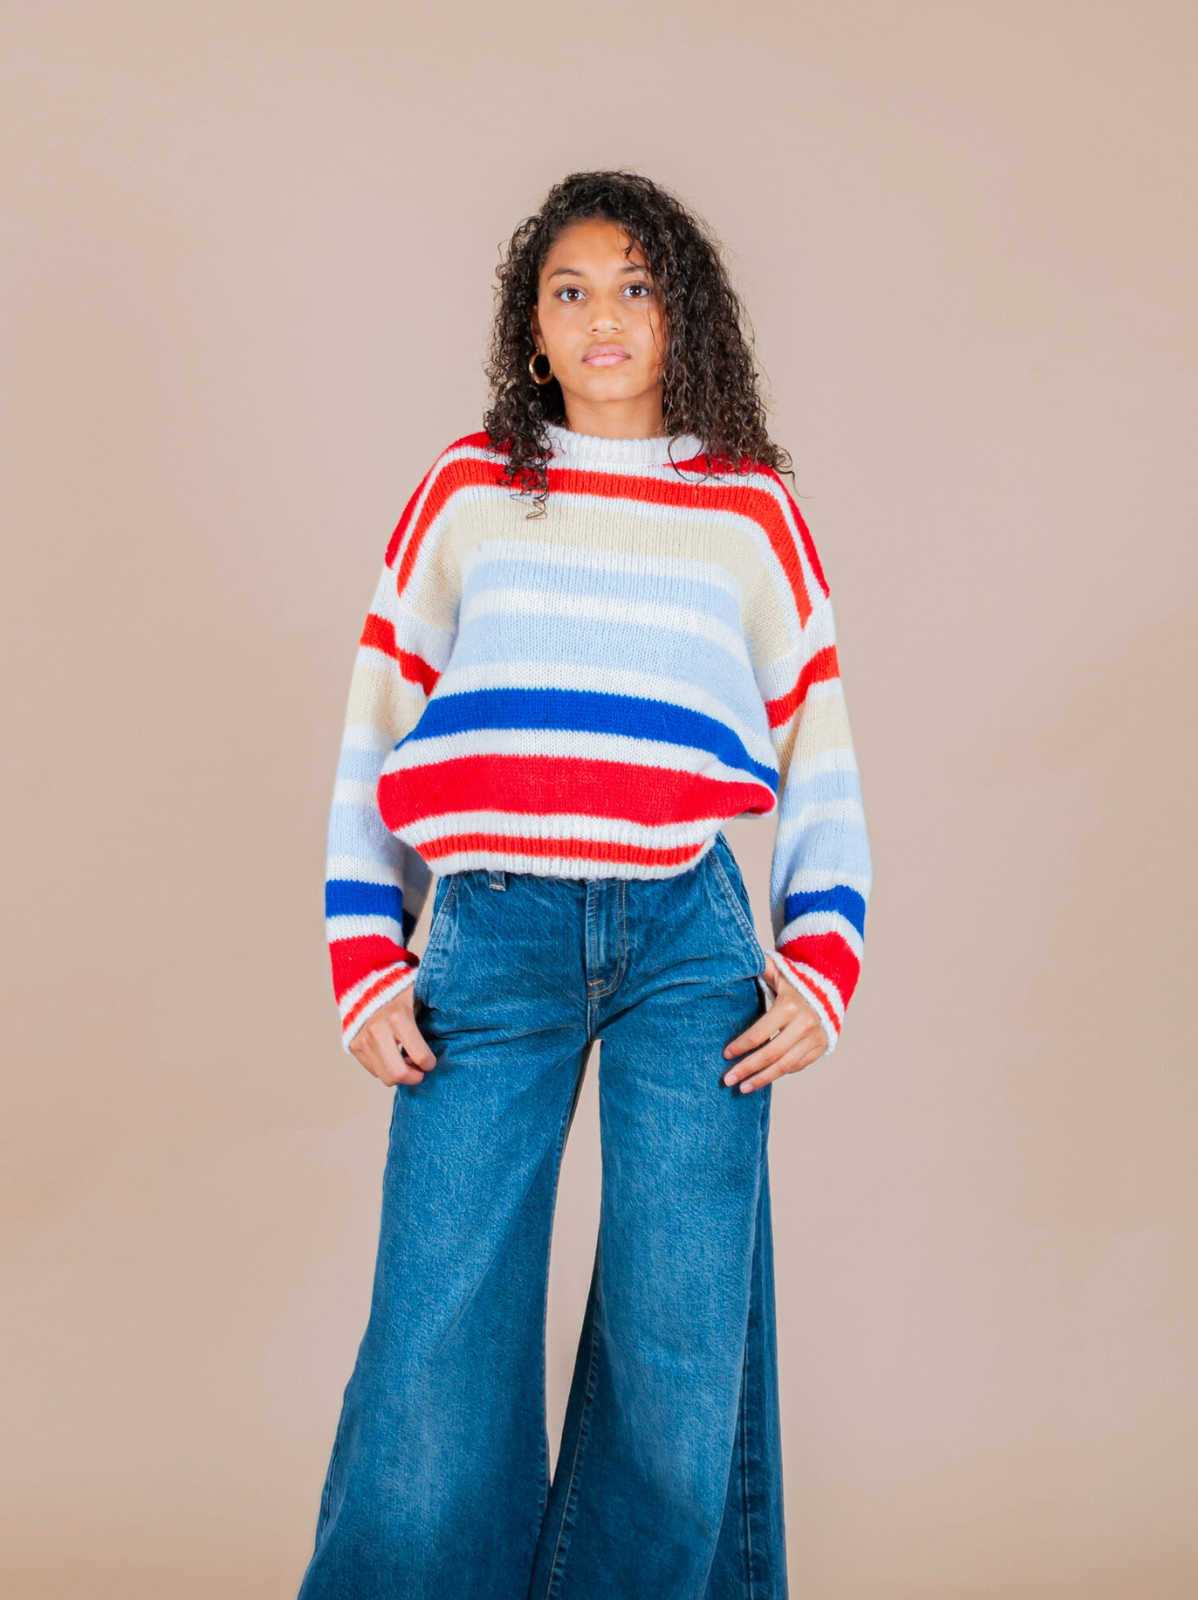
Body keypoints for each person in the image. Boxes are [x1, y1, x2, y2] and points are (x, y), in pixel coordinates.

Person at [298, 170, 871, 1600]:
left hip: (687, 933)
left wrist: (825, 954)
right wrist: (367, 953)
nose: (603, 315)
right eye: (570, 291)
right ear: (532, 326)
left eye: (634, 286)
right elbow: (377, 717)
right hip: (491, 933)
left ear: (684, 316)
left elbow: (819, 736)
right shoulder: (468, 491)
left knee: (683, 1344)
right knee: (437, 1335)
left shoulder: (749, 508)